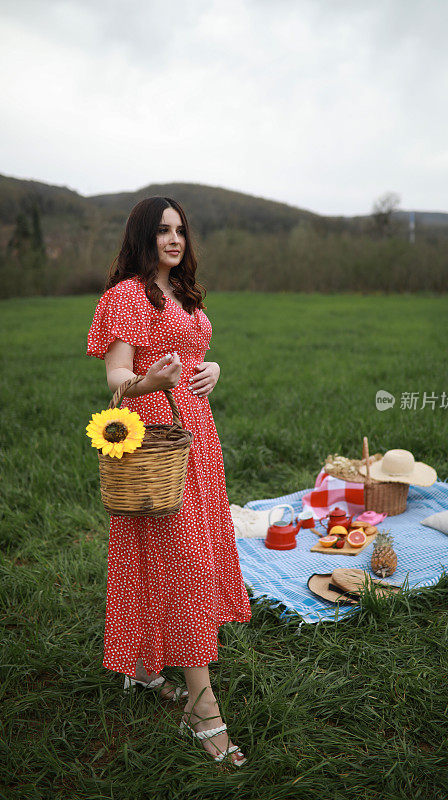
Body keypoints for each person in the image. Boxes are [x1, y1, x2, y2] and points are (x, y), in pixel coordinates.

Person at [86, 196, 251, 766]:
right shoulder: (129, 296)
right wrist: (144, 380)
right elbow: (115, 375)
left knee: (180, 555)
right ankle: (203, 708)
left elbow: (192, 350)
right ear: (143, 237)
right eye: (162, 231)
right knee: (177, 560)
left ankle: (146, 665)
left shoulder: (184, 295)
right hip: (155, 439)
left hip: (197, 436)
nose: (175, 240)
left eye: (180, 230)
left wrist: (212, 369)